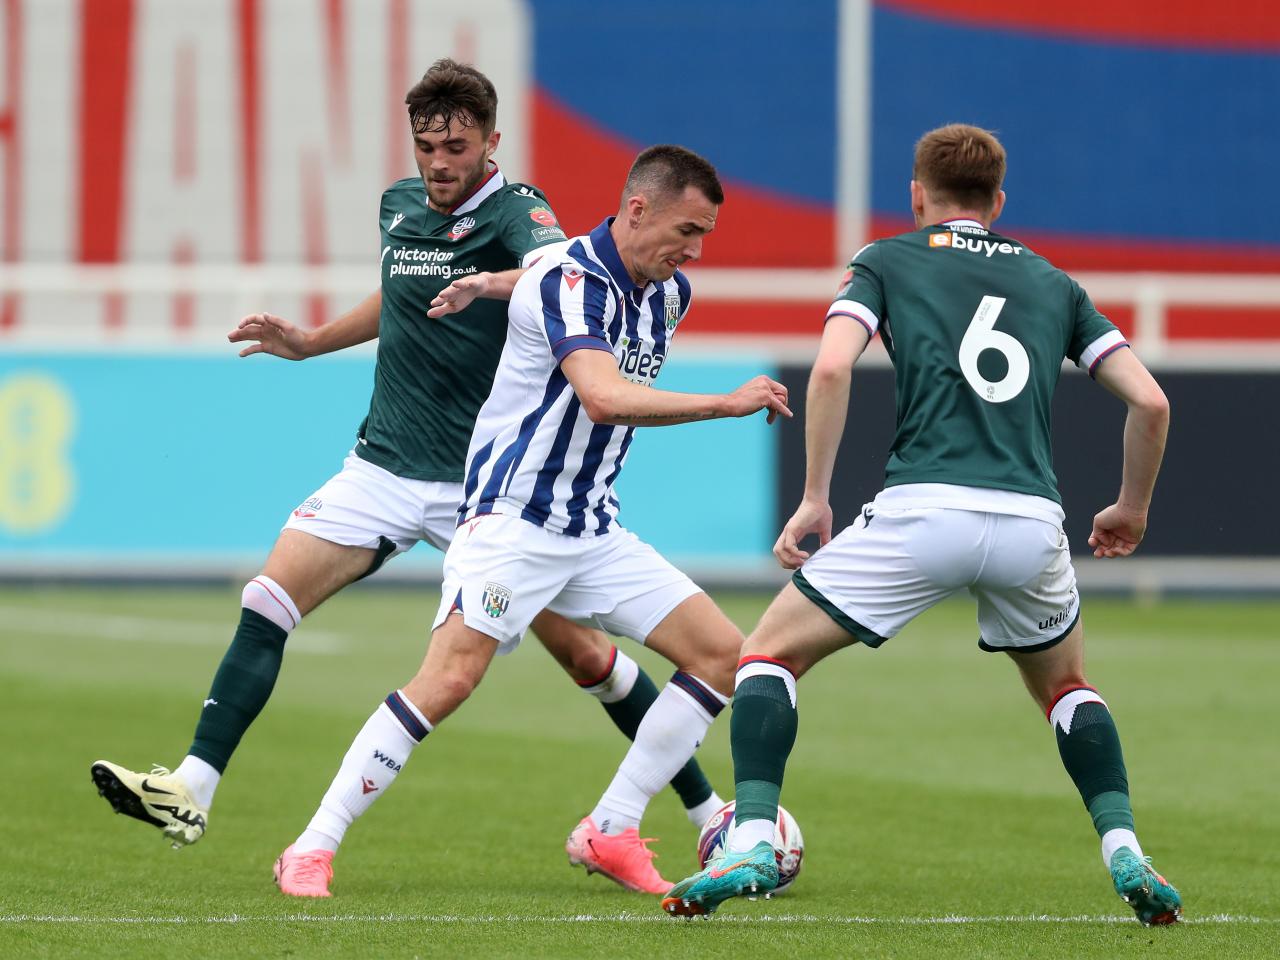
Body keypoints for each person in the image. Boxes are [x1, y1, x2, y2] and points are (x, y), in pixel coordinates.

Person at [89, 59, 725, 890]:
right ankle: (192, 786)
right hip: (386, 460)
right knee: (268, 598)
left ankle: (704, 813)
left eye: (456, 146)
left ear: (491, 143)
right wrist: (313, 341)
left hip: (484, 485)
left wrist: (495, 279)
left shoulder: (521, 212)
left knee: (590, 661)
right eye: (427, 145)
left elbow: (563, 270)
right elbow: (397, 296)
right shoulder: (398, 206)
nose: (438, 161)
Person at [663, 124, 1182, 926]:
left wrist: (814, 497)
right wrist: (1130, 508)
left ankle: (754, 837)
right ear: (999, 201)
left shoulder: (887, 260)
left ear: (916, 194)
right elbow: (1151, 401)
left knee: (768, 654)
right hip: (1029, 522)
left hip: (922, 510)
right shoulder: (1054, 282)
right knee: (1068, 687)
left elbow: (833, 365)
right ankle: (1125, 851)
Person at [281, 143, 792, 898]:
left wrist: (487, 282)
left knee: (723, 655)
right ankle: (311, 848)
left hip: (590, 529)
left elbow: (547, 289)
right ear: (637, 208)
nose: (694, 250)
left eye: (705, 235)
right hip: (512, 522)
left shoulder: (666, 293)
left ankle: (611, 826)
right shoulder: (569, 279)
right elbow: (604, 396)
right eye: (687, 230)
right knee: (450, 679)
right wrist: (724, 402)